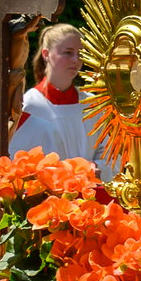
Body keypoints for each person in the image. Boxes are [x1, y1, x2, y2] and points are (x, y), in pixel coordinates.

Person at [22, 23, 106, 171]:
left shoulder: (92, 104)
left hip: (90, 190)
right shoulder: (30, 104)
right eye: (68, 52)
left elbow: (108, 152)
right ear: (46, 54)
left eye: (80, 54)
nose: (76, 60)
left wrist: (95, 169)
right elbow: (23, 157)